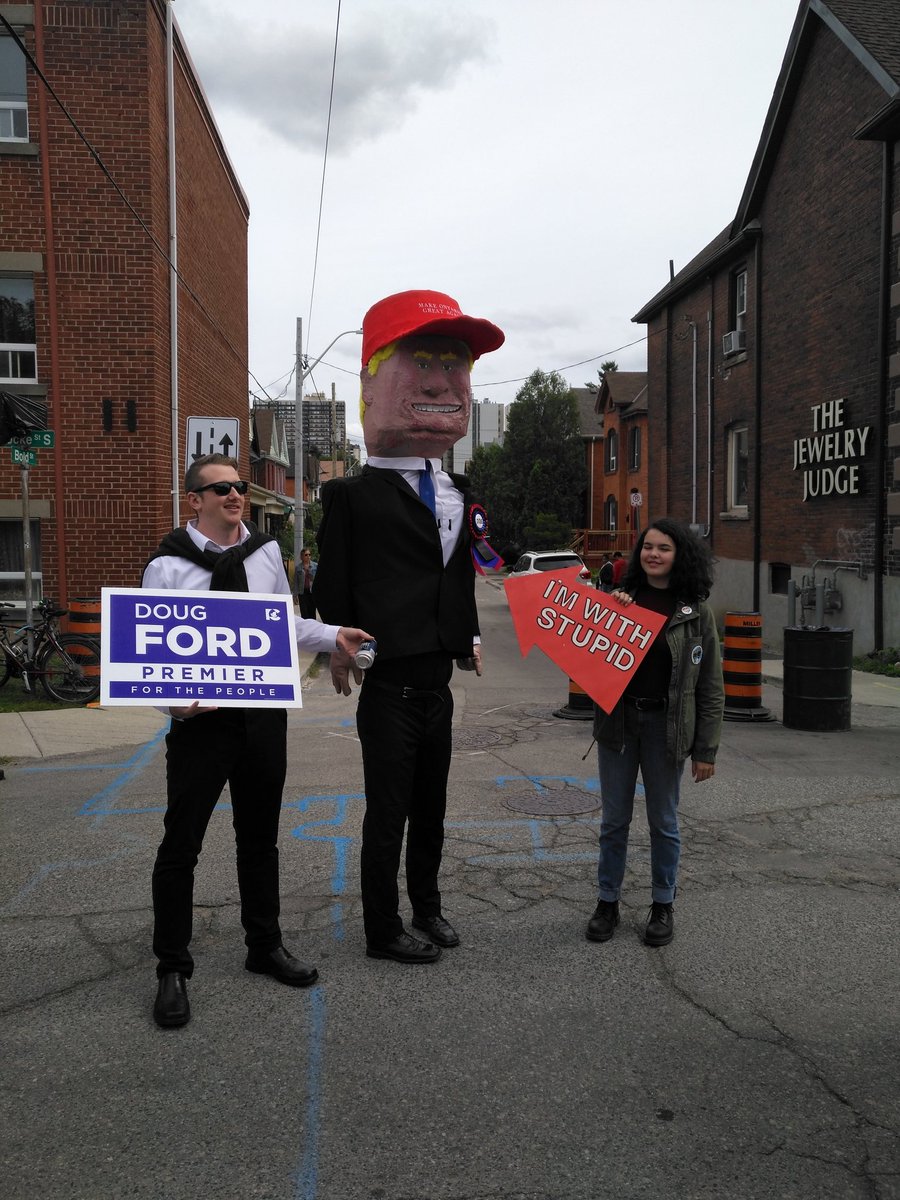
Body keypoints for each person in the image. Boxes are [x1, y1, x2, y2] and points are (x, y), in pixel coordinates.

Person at [142, 454, 372, 1028]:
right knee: (181, 844)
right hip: (202, 725)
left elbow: (283, 625)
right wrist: (175, 702)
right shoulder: (168, 565)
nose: (234, 495)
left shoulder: (265, 553)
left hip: (263, 718)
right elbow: (149, 652)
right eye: (219, 488)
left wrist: (331, 636)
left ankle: (263, 944)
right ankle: (172, 966)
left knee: (260, 837)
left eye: (239, 486)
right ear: (193, 500)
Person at [313, 289, 505, 964]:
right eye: (421, 357)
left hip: (437, 683)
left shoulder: (460, 492)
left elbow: (464, 575)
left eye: (455, 362)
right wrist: (334, 647)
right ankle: (382, 927)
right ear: (373, 380)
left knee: (433, 808)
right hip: (388, 683)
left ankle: (428, 906)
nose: (441, 379)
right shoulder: (351, 494)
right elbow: (332, 584)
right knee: (387, 812)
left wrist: (471, 637)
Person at [585, 517, 724, 947]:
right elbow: (590, 660)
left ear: (679, 554)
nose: (654, 555)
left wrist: (707, 750)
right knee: (614, 821)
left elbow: (711, 687)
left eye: (663, 548)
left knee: (664, 822)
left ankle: (662, 904)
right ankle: (607, 901)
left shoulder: (696, 612)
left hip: (668, 727)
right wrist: (607, 611)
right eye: (648, 547)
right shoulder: (621, 601)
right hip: (620, 724)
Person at [298, 547, 317, 620]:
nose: (308, 556)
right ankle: (305, 629)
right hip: (302, 592)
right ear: (301, 557)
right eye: (306, 555)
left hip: (312, 591)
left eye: (309, 554)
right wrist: (295, 595)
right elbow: (296, 582)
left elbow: (317, 580)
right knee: (304, 612)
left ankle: (313, 628)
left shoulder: (315, 566)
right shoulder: (298, 567)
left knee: (312, 611)